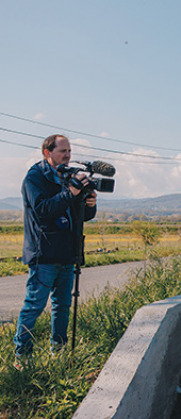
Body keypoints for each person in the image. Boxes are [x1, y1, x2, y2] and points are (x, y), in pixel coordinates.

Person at [14, 134, 97, 363]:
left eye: (69, 151)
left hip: (67, 253)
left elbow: (80, 216)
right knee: (34, 306)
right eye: (63, 151)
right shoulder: (35, 177)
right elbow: (44, 210)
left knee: (62, 306)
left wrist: (89, 204)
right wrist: (71, 192)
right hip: (44, 253)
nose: (68, 156)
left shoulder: (66, 177)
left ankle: (58, 353)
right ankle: (22, 357)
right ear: (47, 153)